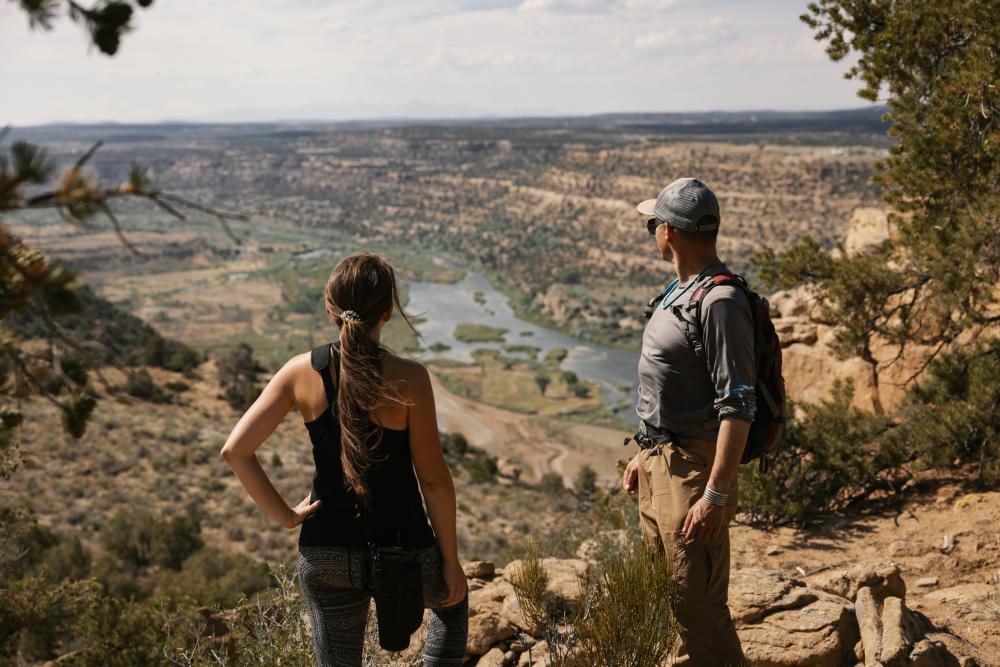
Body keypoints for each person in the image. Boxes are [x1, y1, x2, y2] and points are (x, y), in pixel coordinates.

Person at [221, 252, 468, 667]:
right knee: (451, 607)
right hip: (404, 545)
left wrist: (286, 516)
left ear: (329, 308)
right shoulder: (410, 378)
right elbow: (435, 482)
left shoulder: (299, 372)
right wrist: (452, 562)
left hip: (325, 550)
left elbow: (236, 451)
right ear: (388, 312)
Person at [622, 178, 753, 666]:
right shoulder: (680, 291)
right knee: (666, 596)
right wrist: (643, 454)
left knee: (697, 607)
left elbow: (737, 404)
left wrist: (715, 496)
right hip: (661, 464)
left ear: (668, 233)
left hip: (692, 475)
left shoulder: (719, 303)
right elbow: (668, 387)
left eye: (653, 222)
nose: (651, 230)